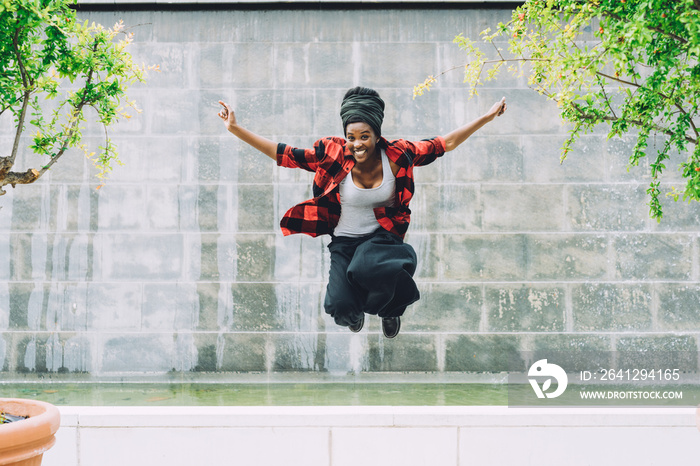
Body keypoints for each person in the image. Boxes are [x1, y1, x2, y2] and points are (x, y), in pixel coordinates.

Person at [218, 87, 506, 338]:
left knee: (366, 265)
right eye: (351, 136)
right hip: (344, 241)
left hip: (383, 238)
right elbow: (286, 155)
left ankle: (391, 309)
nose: (357, 144)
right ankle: (354, 313)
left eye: (365, 136)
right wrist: (235, 129)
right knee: (338, 307)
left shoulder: (398, 154)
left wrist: (487, 117)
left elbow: (446, 143)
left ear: (377, 134)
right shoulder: (332, 154)